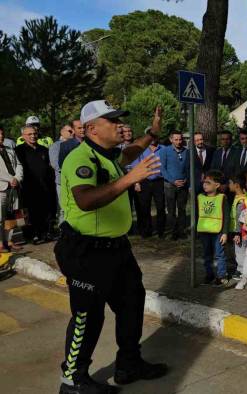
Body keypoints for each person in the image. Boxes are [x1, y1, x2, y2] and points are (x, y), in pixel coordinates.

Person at [55, 101, 167, 393]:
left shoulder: (109, 156)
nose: (119, 125)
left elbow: (132, 150)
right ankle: (72, 380)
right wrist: (131, 177)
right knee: (87, 316)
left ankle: (128, 364)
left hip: (117, 249)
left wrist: (152, 133)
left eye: (119, 120)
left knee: (132, 302)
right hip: (86, 251)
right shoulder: (80, 158)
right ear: (92, 128)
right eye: (112, 120)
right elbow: (86, 200)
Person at [15, 125, 57, 244]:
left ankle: (45, 233)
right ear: (23, 136)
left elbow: (49, 167)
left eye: (35, 133)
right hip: (28, 187)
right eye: (30, 134)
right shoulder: (19, 151)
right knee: (31, 212)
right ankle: (32, 235)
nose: (33, 136)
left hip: (45, 186)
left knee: (45, 210)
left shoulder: (43, 149)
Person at [197, 170, 232, 287]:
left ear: (217, 185)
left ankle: (222, 276)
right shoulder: (200, 197)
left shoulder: (222, 198)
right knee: (206, 255)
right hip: (204, 231)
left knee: (219, 254)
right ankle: (209, 275)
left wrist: (225, 233)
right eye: (204, 182)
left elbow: (226, 216)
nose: (204, 185)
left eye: (208, 182)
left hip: (218, 232)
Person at [132, 138, 165, 238]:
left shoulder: (164, 149)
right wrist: (136, 182)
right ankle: (147, 230)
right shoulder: (141, 150)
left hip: (159, 181)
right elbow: (135, 166)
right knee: (144, 207)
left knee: (161, 207)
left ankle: (161, 231)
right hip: (144, 181)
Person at [159, 131, 189, 240]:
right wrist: (172, 181)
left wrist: (186, 179)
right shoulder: (164, 151)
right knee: (171, 210)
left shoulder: (187, 151)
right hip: (170, 185)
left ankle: (182, 231)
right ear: (171, 139)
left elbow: (189, 167)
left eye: (180, 139)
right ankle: (173, 231)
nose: (178, 142)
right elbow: (162, 168)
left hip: (183, 185)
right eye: (176, 139)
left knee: (182, 209)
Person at [0, 127, 23, 252]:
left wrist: (17, 178)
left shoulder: (10, 150)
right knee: (0, 217)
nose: (1, 136)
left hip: (13, 187)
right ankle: (0, 244)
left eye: (2, 134)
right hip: (1, 187)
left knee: (11, 216)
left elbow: (18, 165)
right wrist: (10, 179)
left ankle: (9, 241)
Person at [50, 125, 75, 224]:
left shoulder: (77, 144)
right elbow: (55, 164)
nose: (72, 133)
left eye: (73, 131)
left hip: (75, 181)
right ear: (62, 132)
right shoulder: (56, 145)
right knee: (62, 208)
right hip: (62, 182)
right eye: (69, 131)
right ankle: (63, 231)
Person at [227, 174, 247, 280]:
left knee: (240, 251)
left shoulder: (241, 201)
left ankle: (242, 271)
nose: (228, 185)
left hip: (240, 232)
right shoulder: (240, 198)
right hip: (239, 231)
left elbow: (240, 218)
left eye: (230, 183)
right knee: (240, 251)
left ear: (236, 185)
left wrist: (238, 233)